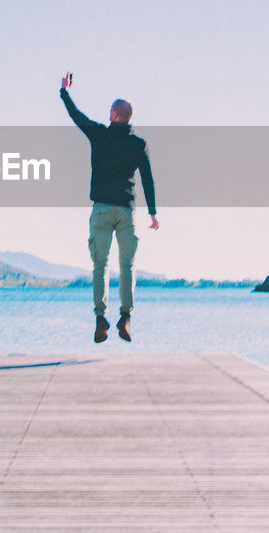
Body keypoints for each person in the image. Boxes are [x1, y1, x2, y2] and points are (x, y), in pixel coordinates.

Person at [60, 72, 158, 343]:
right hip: (127, 211)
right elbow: (147, 178)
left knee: (100, 265)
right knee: (127, 265)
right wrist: (153, 212)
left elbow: (76, 116)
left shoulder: (100, 135)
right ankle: (125, 317)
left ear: (114, 114)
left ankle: (100, 318)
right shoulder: (139, 145)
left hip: (101, 209)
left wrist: (64, 92)